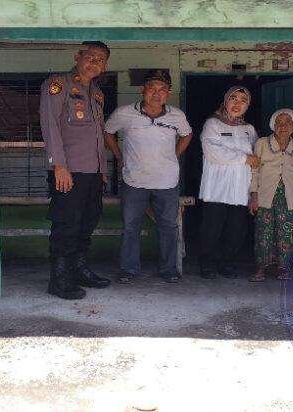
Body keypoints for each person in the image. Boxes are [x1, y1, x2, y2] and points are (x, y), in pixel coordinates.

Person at [104, 70, 193, 284]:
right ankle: (128, 269)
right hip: (134, 181)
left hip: (167, 181)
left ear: (168, 93)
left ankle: (169, 269)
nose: (156, 93)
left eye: (162, 90)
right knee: (130, 227)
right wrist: (119, 156)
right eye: (152, 88)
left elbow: (187, 135)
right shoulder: (125, 113)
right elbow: (107, 132)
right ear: (142, 90)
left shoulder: (176, 115)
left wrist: (174, 154)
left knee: (168, 226)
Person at [39, 41, 112, 300]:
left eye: (100, 60)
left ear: (105, 66)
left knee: (87, 222)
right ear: (77, 57)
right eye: (90, 57)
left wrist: (103, 171)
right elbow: (50, 125)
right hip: (68, 170)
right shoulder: (58, 85)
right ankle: (59, 280)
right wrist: (58, 165)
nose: (95, 63)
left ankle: (79, 270)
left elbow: (97, 136)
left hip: (93, 172)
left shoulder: (97, 94)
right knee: (67, 225)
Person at [198, 86, 259, 279]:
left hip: (241, 189)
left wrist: (254, 190)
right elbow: (212, 152)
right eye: (233, 98)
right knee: (212, 229)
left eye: (243, 100)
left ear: (247, 106)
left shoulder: (249, 129)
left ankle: (227, 263)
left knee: (236, 230)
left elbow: (257, 159)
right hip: (216, 188)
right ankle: (206, 263)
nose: (237, 103)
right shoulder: (213, 124)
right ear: (225, 101)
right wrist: (244, 158)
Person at [248, 109, 293, 281]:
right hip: (265, 194)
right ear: (273, 125)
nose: (283, 126)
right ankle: (260, 268)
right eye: (279, 122)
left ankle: (283, 268)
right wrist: (253, 194)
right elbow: (254, 170)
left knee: (288, 232)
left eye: (287, 123)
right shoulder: (262, 143)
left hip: (290, 195)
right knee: (263, 231)